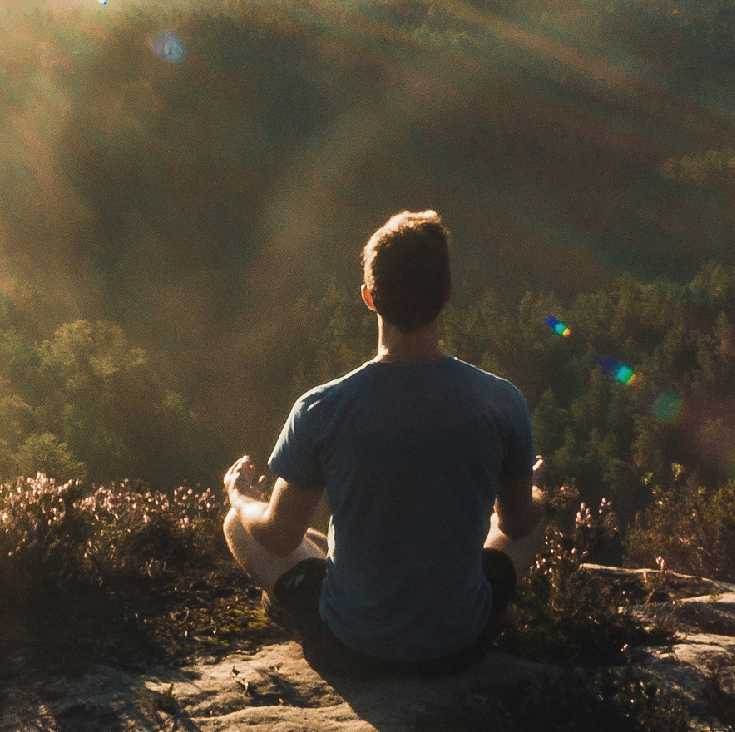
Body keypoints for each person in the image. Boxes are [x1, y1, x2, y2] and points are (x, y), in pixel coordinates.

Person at [221, 210, 544, 677]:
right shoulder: (501, 401)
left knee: (238, 523)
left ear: (369, 298)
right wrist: (535, 489)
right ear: (446, 297)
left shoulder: (322, 409)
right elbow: (516, 524)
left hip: (351, 649)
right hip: (460, 645)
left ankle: (297, 601)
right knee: (532, 519)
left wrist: (240, 495)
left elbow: (277, 535)